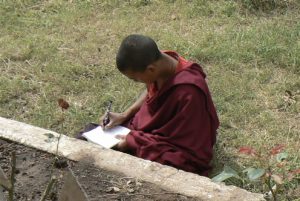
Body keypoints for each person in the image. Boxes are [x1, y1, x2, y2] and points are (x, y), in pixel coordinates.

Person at [99, 34, 219, 176]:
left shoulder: (189, 91)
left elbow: (188, 148)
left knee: (173, 162)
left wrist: (133, 142)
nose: (139, 82)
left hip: (179, 142)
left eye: (135, 79)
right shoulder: (162, 63)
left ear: (151, 69)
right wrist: (126, 114)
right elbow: (152, 90)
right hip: (153, 126)